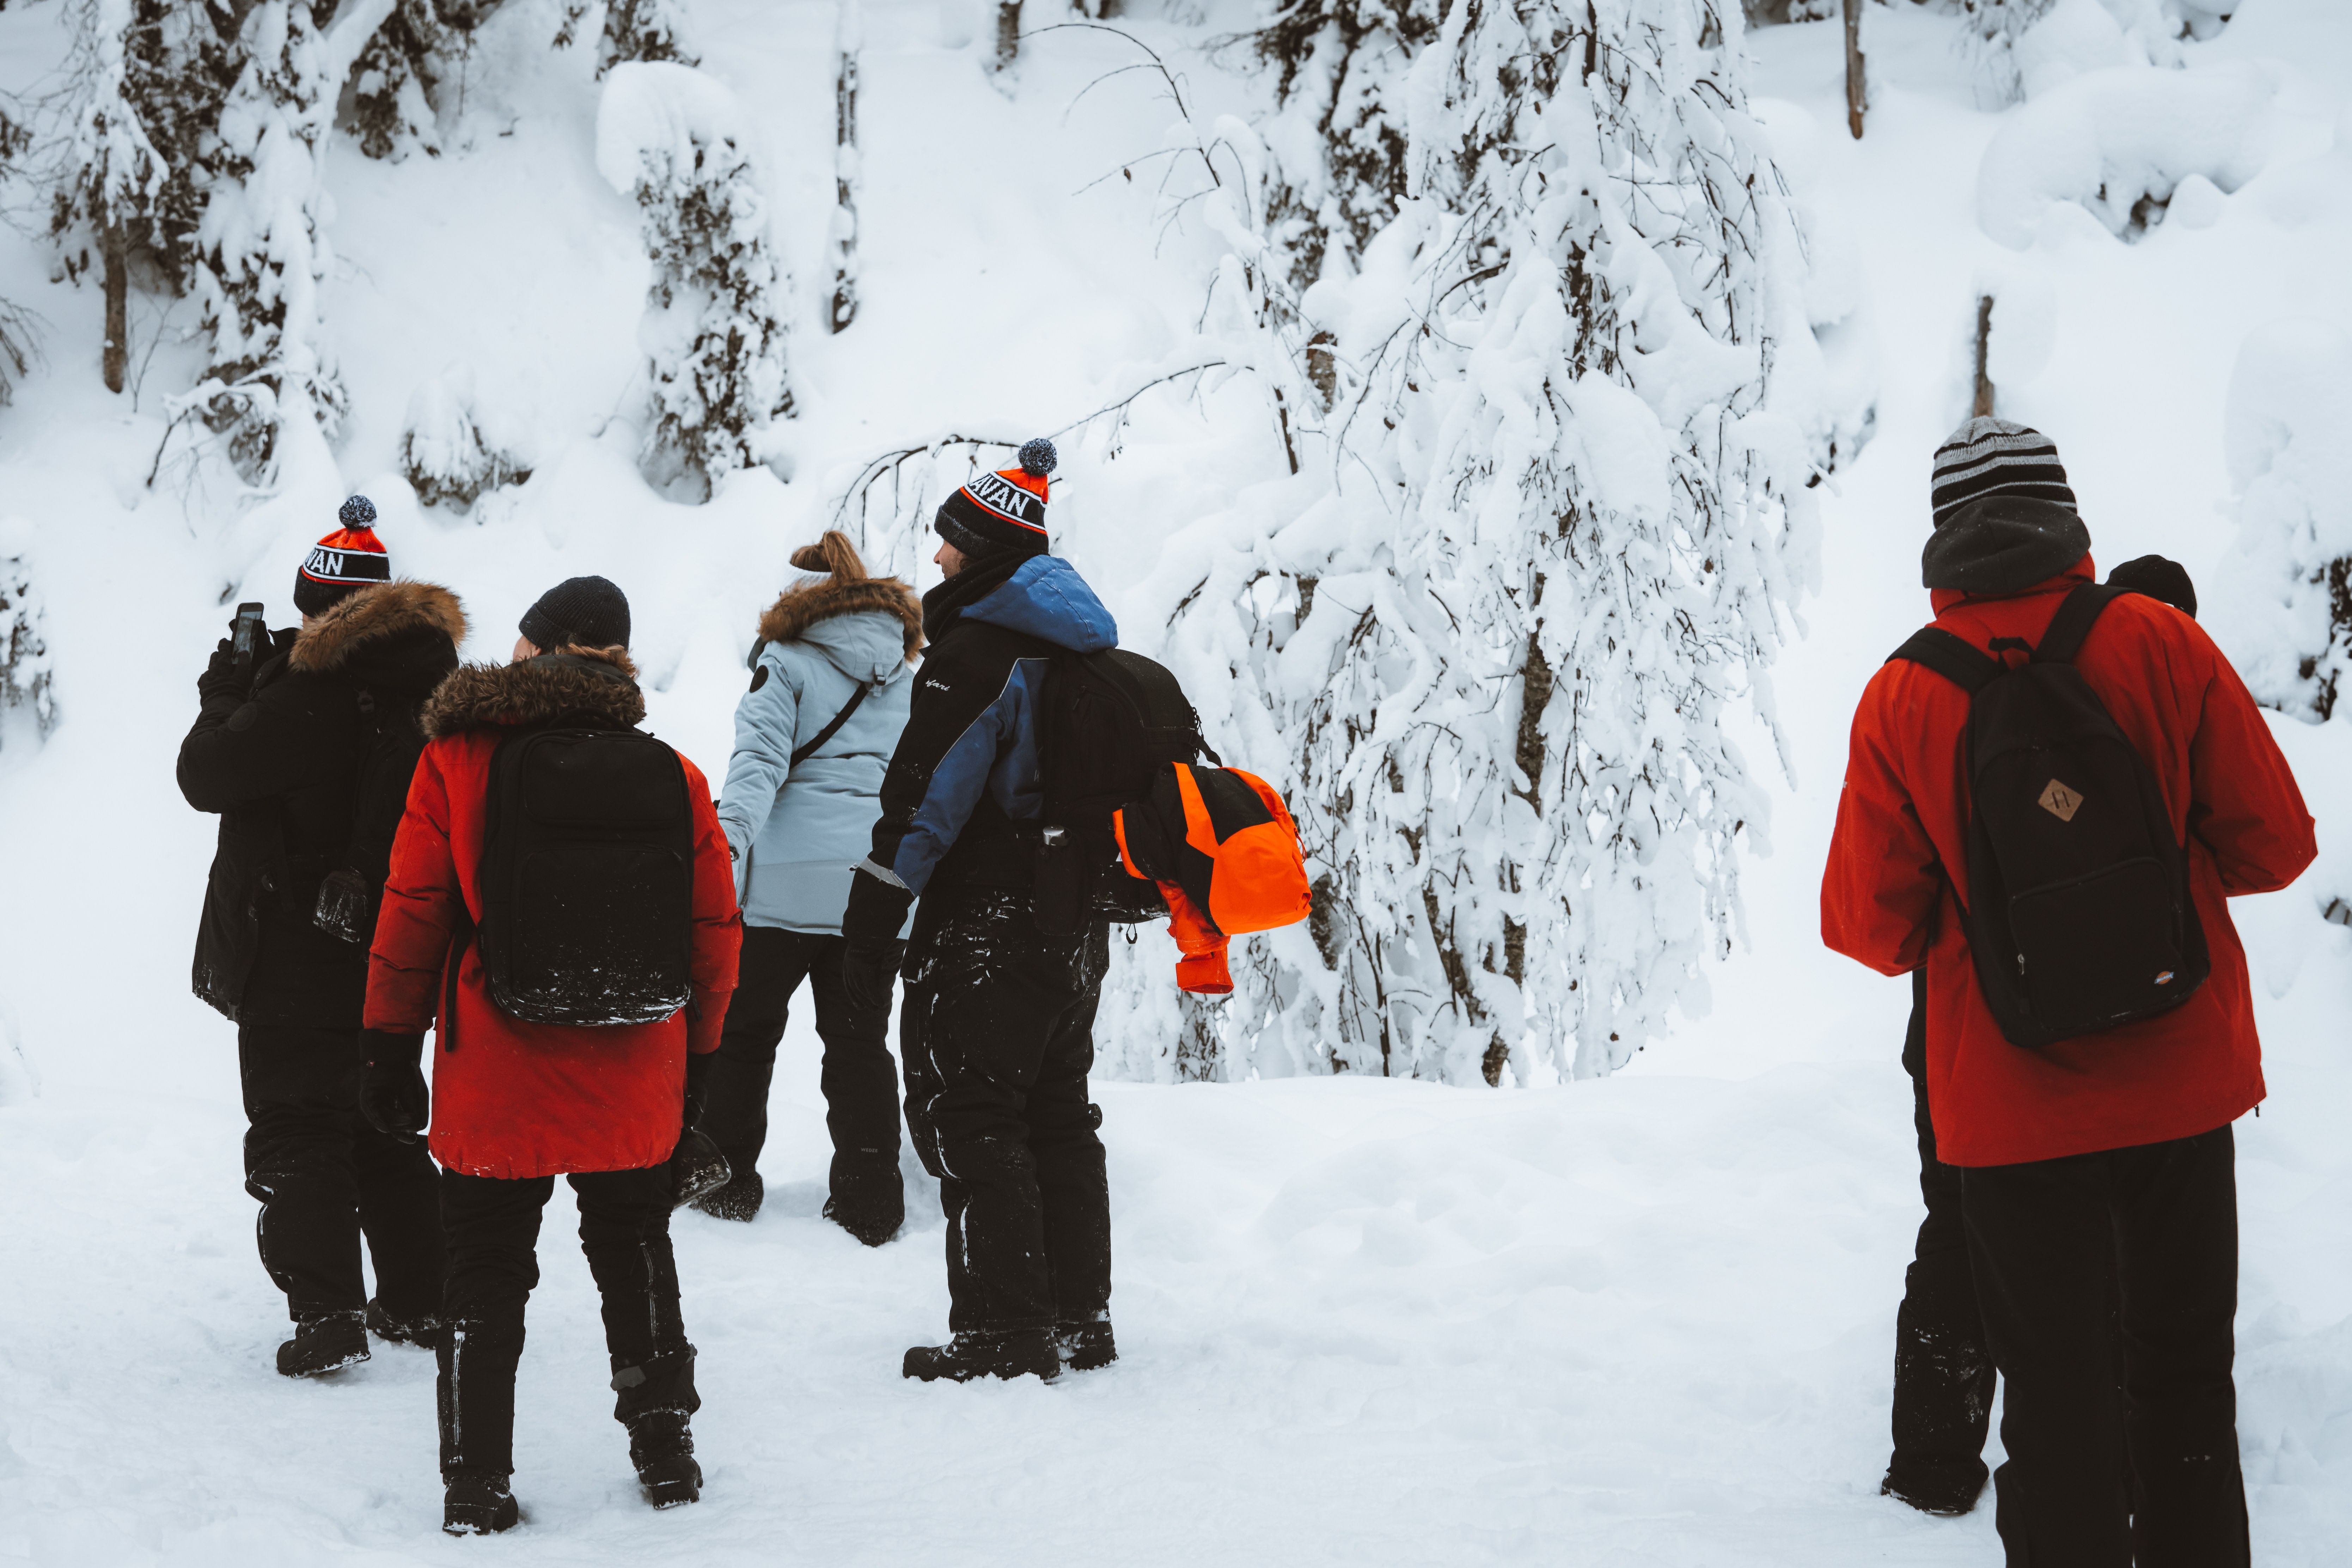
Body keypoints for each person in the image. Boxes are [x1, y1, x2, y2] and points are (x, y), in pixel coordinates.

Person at [1825, 419, 2314, 1566]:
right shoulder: (2157, 641)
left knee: (2054, 1415)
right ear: (2065, 516)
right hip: (2183, 1086)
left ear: (1945, 536)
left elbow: (1868, 927)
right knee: (2185, 1385)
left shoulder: (1904, 693)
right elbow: (2277, 843)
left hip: (2007, 1113)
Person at [358, 576, 742, 1534]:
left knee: (483, 1266)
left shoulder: (454, 759)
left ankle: (476, 1481)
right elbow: (714, 933)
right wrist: (698, 1060)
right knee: (634, 1248)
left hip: (499, 1065)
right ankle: (668, 1453)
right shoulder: (673, 772)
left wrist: (386, 1044)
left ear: (541, 647)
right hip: (636, 1057)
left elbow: (414, 913)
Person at [1878, 550, 2204, 1517]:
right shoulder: (2148, 708)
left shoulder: (1981, 687)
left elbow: (1879, 908)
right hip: (2117, 1031)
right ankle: (2110, 1449)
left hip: (1960, 1022)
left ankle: (1933, 1463)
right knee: (2112, 1238)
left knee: (1960, 1223)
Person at [840, 439, 1120, 1384]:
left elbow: (931, 792)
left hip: (992, 919)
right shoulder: (1083, 652)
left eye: (951, 544)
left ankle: (1005, 1329)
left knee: (978, 1114)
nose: (939, 561)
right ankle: (1079, 1317)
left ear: (987, 549)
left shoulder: (981, 650)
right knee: (1058, 1113)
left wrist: (878, 904)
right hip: (1075, 915)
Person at [176, 498, 462, 1378]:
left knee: (300, 1123)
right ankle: (423, 1298)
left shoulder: (312, 694)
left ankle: (328, 1312)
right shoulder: (431, 687)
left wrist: (229, 689)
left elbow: (206, 772)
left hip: (300, 950)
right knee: (380, 1122)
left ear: (321, 612)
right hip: (398, 941)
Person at [698, 531, 920, 1239]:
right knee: (859, 1043)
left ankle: (727, 1185)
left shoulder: (785, 662)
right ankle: (871, 1202)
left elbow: (758, 764)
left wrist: (721, 844)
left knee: (745, 1034)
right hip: (878, 890)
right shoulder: (913, 677)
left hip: (785, 892)